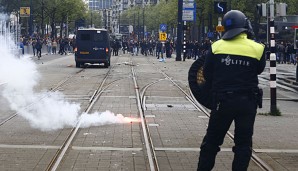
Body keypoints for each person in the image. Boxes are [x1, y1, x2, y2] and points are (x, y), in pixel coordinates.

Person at [197, 10, 266, 171]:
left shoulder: (216, 47)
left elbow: (206, 73)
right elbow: (259, 70)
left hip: (222, 102)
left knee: (211, 143)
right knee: (243, 144)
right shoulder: (258, 48)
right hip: (247, 103)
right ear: (245, 25)